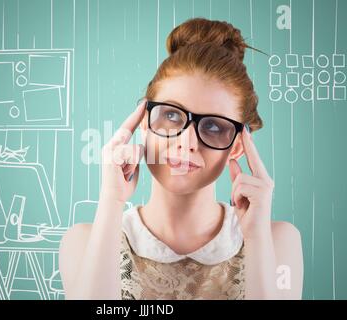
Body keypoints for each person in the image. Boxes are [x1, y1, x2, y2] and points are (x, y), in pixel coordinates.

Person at [59, 17, 303, 300]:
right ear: (144, 123)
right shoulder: (83, 241)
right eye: (171, 115)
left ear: (237, 146)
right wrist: (111, 200)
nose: (187, 143)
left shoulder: (277, 241)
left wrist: (257, 238)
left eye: (213, 126)